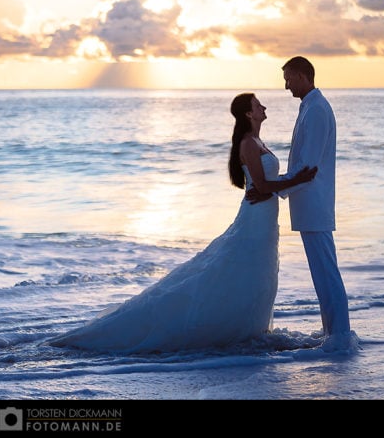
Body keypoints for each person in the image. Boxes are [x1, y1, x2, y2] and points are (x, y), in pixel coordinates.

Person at [47, 93, 317, 353]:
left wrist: (280, 184)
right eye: (259, 105)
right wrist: (298, 180)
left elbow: (265, 185)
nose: (264, 108)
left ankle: (248, 328)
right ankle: (225, 328)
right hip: (255, 217)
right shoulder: (247, 142)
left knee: (257, 273)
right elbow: (262, 185)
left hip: (266, 217)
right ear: (248, 113)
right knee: (240, 271)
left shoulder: (258, 141)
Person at [248, 56, 352, 349]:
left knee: (326, 271)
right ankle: (333, 331)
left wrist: (272, 188)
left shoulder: (317, 109)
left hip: (314, 203)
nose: (286, 85)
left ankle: (341, 335)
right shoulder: (310, 107)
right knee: (322, 272)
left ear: (304, 76)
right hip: (309, 203)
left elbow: (309, 167)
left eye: (289, 78)